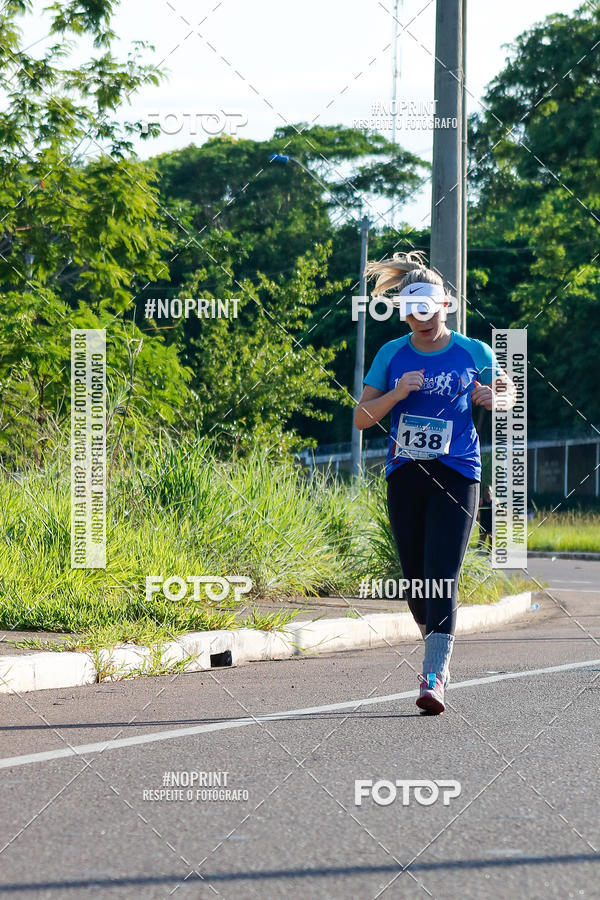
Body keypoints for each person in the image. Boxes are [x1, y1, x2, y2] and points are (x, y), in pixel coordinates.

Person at [354, 250, 515, 715]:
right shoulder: (391, 354)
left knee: (442, 572)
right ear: (405, 313)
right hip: (405, 474)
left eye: (429, 312)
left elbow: (508, 393)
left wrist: (493, 396)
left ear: (445, 306)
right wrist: (398, 392)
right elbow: (363, 419)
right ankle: (437, 647)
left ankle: (434, 675)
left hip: (458, 473)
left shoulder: (473, 351)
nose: (422, 322)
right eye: (413, 314)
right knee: (416, 582)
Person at [479, 485, 493, 552]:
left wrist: (503, 510)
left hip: (492, 523)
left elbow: (500, 509)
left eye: (489, 491)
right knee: (482, 541)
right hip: (483, 523)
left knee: (492, 541)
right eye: (486, 491)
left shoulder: (495, 501)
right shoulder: (481, 500)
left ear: (492, 492)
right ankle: (477, 554)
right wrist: (476, 517)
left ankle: (488, 554)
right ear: (484, 492)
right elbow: (476, 510)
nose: (488, 492)